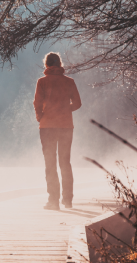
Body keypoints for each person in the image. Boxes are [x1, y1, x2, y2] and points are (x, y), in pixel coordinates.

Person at [33, 52, 82, 210]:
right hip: (66, 126)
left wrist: (40, 116)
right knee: (65, 162)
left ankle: (53, 201)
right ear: (60, 64)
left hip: (47, 127)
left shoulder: (42, 82)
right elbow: (78, 103)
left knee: (50, 163)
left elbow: (37, 102)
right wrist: (65, 110)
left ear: (46, 65)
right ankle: (67, 200)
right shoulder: (69, 81)